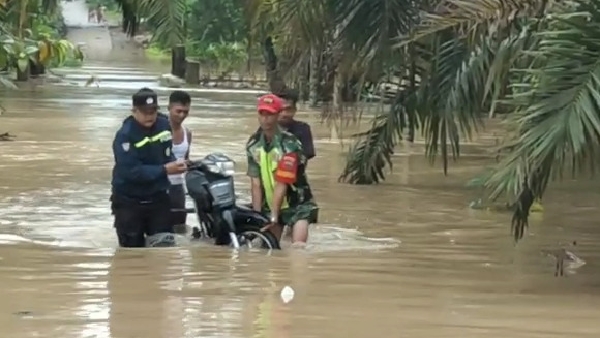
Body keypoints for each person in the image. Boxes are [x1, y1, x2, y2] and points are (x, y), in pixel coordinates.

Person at [110, 87, 187, 248]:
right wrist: (165, 169)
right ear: (134, 111)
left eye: (153, 111)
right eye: (145, 112)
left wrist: (178, 164)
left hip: (158, 198)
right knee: (132, 251)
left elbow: (167, 153)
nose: (150, 116)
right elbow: (131, 171)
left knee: (164, 246)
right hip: (129, 201)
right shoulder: (125, 135)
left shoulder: (164, 125)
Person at [246, 94, 318, 245]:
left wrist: (273, 216)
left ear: (278, 115)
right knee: (268, 249)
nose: (265, 119)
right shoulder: (253, 143)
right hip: (271, 201)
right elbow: (255, 184)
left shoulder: (289, 144)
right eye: (262, 113)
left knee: (298, 248)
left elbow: (282, 183)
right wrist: (258, 216)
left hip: (297, 202)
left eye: (270, 114)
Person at [256, 88, 315, 162]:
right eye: (281, 110)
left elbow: (306, 155)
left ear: (295, 110)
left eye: (289, 109)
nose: (284, 114)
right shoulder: (264, 129)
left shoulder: (302, 129)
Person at [167, 90, 192, 234]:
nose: (182, 115)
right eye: (178, 111)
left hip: (178, 188)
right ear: (169, 108)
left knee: (179, 229)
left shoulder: (187, 133)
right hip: (159, 186)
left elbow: (186, 159)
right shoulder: (158, 130)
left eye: (185, 112)